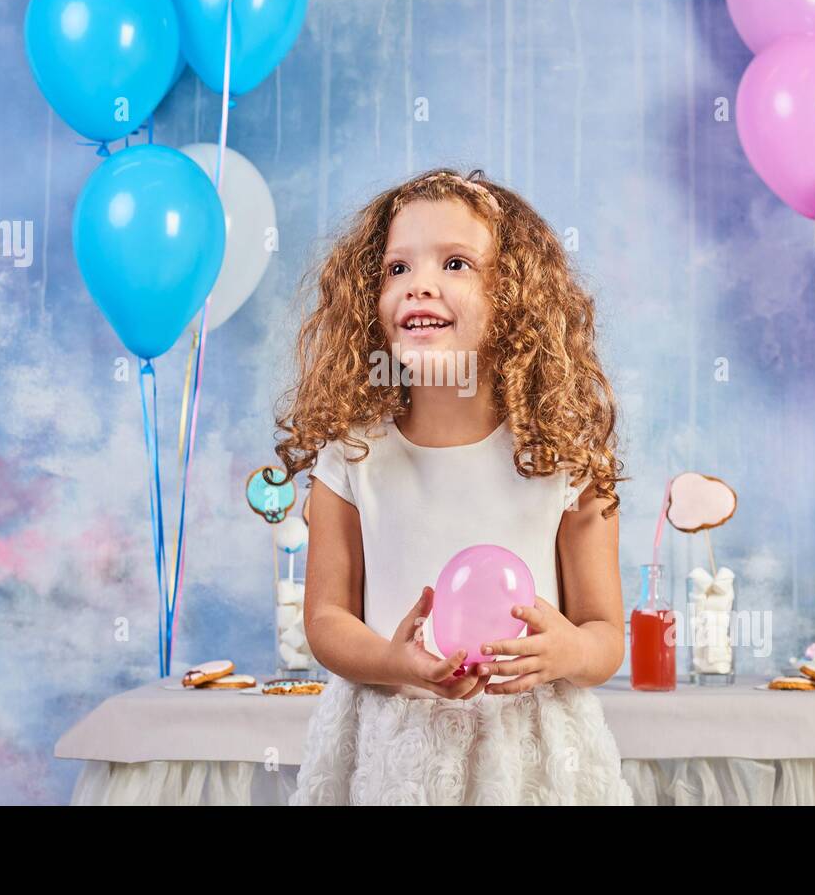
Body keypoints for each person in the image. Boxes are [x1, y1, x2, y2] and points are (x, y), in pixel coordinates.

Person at [271, 167, 633, 805]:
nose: (420, 286)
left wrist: (568, 650)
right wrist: (394, 660)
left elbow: (604, 634)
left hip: (527, 754)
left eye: (456, 264)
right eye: (397, 269)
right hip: (394, 748)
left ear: (515, 301)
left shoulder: (564, 460)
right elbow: (326, 618)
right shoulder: (353, 453)